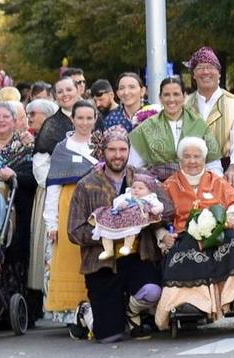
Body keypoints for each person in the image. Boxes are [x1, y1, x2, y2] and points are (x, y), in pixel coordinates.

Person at [156, 136, 234, 328]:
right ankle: (189, 302)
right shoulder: (169, 185)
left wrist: (231, 216)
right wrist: (162, 235)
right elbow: (159, 217)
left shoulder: (217, 181)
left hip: (219, 230)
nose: (192, 161)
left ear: (204, 159)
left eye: (197, 156)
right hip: (186, 233)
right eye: (187, 156)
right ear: (180, 160)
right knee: (186, 253)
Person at [67, 129, 164, 343]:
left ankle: (132, 311)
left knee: (151, 291)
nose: (118, 155)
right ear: (103, 151)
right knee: (109, 335)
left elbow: (166, 209)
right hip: (102, 262)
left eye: (123, 149)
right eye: (112, 150)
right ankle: (87, 313)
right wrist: (108, 233)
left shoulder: (141, 178)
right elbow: (73, 230)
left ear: (129, 150)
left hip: (138, 255)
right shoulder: (87, 184)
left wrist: (150, 213)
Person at [35, 100, 99, 320]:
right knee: (69, 257)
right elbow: (54, 186)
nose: (84, 122)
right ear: (72, 119)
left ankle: (94, 304)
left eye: (89, 118)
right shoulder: (63, 147)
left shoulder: (101, 144)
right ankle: (71, 311)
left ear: (95, 119)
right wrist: (51, 222)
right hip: (69, 206)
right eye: (80, 118)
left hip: (96, 205)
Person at [186, 47, 234, 190]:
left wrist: (233, 169)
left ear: (219, 73)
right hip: (188, 171)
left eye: (210, 67)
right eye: (200, 68)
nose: (205, 72)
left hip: (226, 170)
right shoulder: (183, 104)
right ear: (193, 74)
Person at [130, 77, 220, 180]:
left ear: (184, 97)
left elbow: (213, 164)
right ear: (160, 98)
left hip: (195, 186)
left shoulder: (199, 125)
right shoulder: (146, 128)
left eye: (176, 94)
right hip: (157, 187)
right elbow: (134, 166)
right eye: (166, 95)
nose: (171, 99)